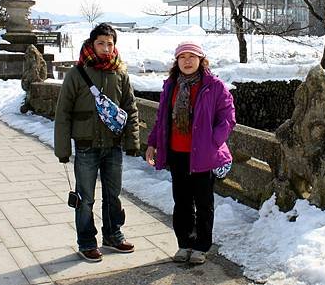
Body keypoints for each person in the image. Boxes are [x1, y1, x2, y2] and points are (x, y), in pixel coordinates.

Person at [54, 23, 140, 263]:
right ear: (92, 44)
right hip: (86, 146)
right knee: (85, 198)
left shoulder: (120, 73)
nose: (105, 48)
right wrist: (62, 148)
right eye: (101, 43)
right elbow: (63, 113)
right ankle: (86, 242)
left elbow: (130, 109)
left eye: (109, 44)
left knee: (113, 195)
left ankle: (113, 235)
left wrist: (132, 141)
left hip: (112, 146)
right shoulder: (77, 73)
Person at [145, 41, 235, 265]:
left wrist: (213, 141)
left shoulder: (214, 86)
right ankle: (184, 243)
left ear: (201, 60)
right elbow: (162, 119)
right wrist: (152, 143)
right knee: (182, 202)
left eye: (192, 56)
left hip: (203, 156)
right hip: (177, 154)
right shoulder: (171, 85)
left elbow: (228, 117)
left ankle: (201, 246)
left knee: (204, 203)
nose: (187, 61)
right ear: (176, 61)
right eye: (182, 57)